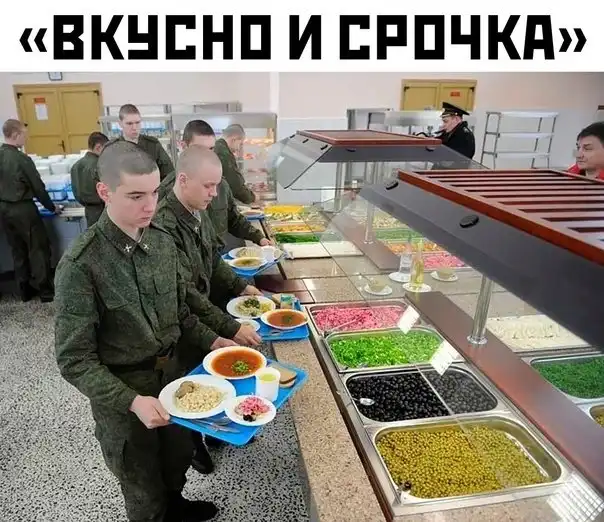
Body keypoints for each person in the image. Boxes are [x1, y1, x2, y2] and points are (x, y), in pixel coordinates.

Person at [54, 140, 221, 522]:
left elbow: (180, 311)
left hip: (174, 380)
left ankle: (176, 505)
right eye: (135, 196)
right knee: (142, 484)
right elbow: (74, 360)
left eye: (154, 193)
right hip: (124, 393)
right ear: (105, 192)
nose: (149, 205)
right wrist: (131, 401)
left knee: (176, 458)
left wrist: (215, 339)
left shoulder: (161, 242)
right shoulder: (81, 265)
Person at [154, 145, 263, 474]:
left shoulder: (195, 211)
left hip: (202, 311)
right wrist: (229, 327)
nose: (215, 194)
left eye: (217, 185)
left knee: (211, 377)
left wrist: (240, 286)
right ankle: (193, 446)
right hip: (180, 323)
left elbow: (213, 260)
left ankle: (215, 431)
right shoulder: (163, 226)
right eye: (208, 186)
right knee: (187, 385)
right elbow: (184, 292)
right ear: (183, 180)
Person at [159, 120, 272, 253]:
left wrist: (258, 237)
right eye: (200, 149)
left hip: (218, 257)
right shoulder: (165, 193)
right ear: (183, 146)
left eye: (211, 149)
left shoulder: (221, 186)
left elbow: (233, 218)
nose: (208, 156)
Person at [0, 118, 58, 303]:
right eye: (24, 135)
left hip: (4, 209)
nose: (26, 138)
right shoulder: (21, 159)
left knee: (17, 250)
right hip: (23, 209)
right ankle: (46, 291)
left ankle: (24, 290)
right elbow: (38, 188)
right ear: (16, 134)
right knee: (37, 249)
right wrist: (52, 207)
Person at [117, 104, 175, 180]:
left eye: (137, 123)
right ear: (120, 123)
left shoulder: (153, 145)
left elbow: (169, 175)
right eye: (129, 123)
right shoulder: (113, 148)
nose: (134, 127)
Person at [70, 131, 109, 227]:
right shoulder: (100, 165)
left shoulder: (76, 166)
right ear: (98, 147)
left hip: (89, 211)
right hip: (103, 211)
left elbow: (76, 192)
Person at [213, 124, 257, 205]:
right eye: (240, 144)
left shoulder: (216, 147)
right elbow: (235, 185)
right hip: (217, 202)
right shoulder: (224, 153)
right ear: (233, 139)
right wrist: (252, 198)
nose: (239, 148)